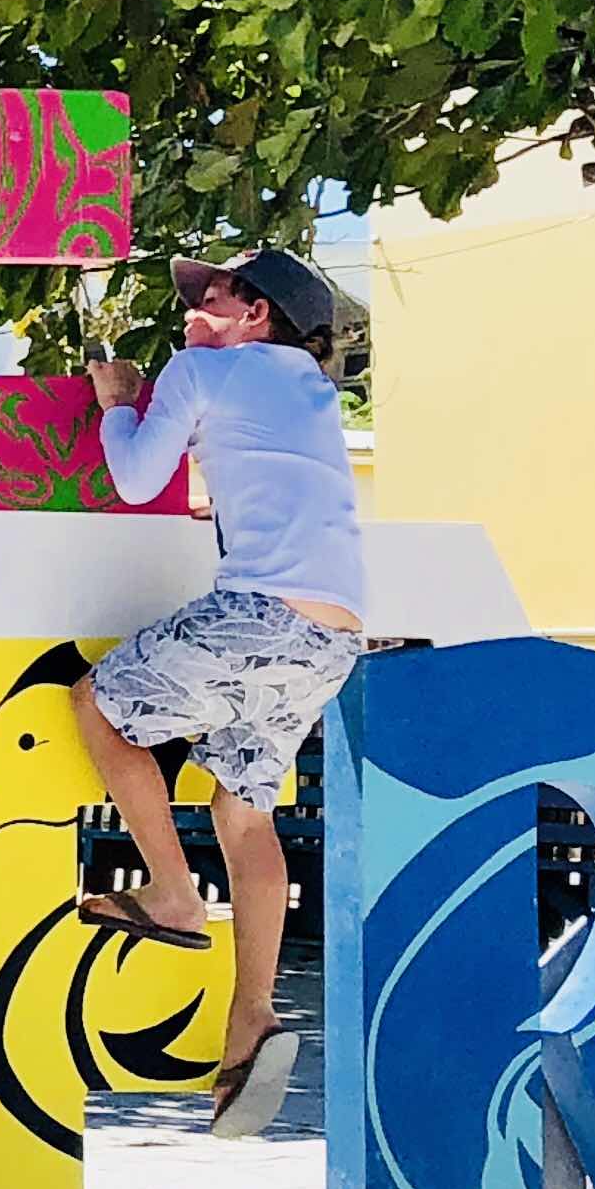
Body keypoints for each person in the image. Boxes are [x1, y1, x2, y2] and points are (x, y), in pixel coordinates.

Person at [73, 246, 368, 1141]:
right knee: (244, 816)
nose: (193, 309)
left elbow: (134, 479)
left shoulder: (204, 370)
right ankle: (253, 1016)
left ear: (257, 312)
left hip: (261, 615)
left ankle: (171, 891)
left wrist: (118, 404)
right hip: (333, 636)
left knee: (97, 705)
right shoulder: (314, 391)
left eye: (212, 296)